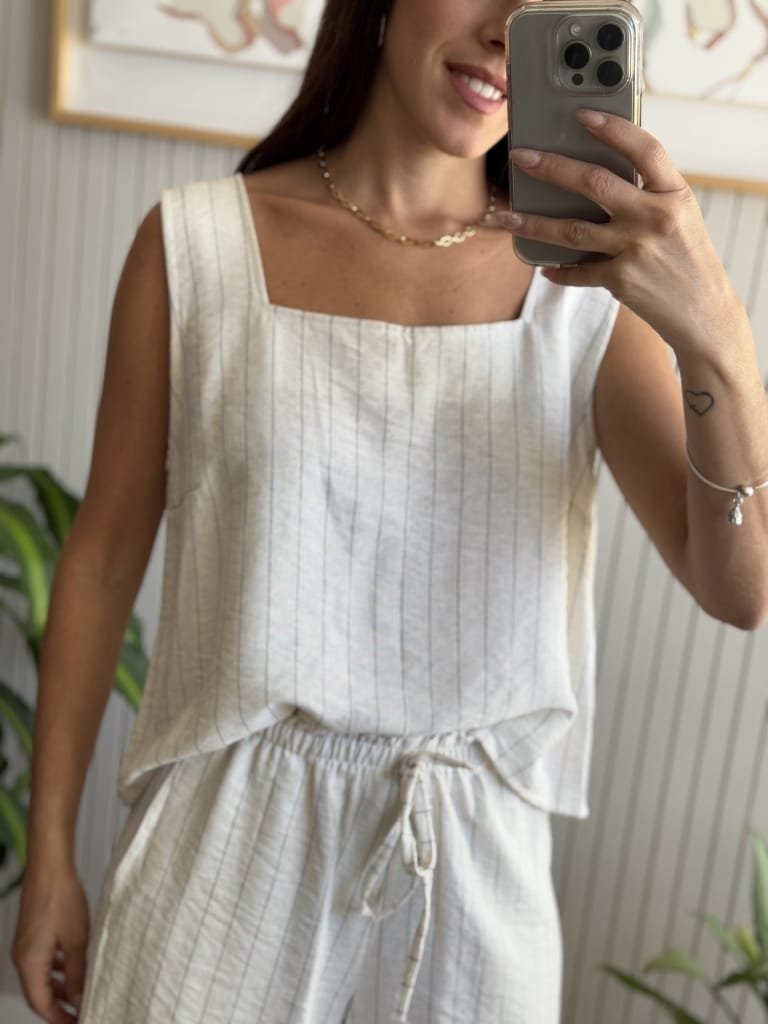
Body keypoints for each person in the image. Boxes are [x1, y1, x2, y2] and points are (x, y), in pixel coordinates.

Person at [11, 0, 768, 1022]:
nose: (505, 29)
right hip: (219, 868)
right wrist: (51, 853)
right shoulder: (197, 245)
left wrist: (718, 337)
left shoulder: (585, 289)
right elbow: (101, 562)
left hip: (474, 880)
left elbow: (743, 590)